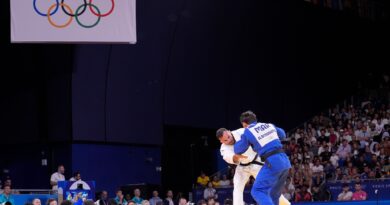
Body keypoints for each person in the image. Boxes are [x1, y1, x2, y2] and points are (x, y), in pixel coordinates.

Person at [217, 127, 290, 205]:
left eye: (229, 136)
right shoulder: (224, 148)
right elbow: (228, 157)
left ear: (229, 131)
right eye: (225, 140)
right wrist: (235, 157)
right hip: (242, 168)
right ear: (221, 141)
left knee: (270, 188)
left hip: (256, 162)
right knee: (237, 187)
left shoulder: (242, 132)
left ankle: (285, 204)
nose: (229, 140)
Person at [234, 111, 291, 205]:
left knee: (257, 191)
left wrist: (241, 139)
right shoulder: (269, 125)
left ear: (244, 124)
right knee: (274, 194)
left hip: (272, 162)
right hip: (285, 161)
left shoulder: (248, 131)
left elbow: (238, 149)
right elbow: (283, 135)